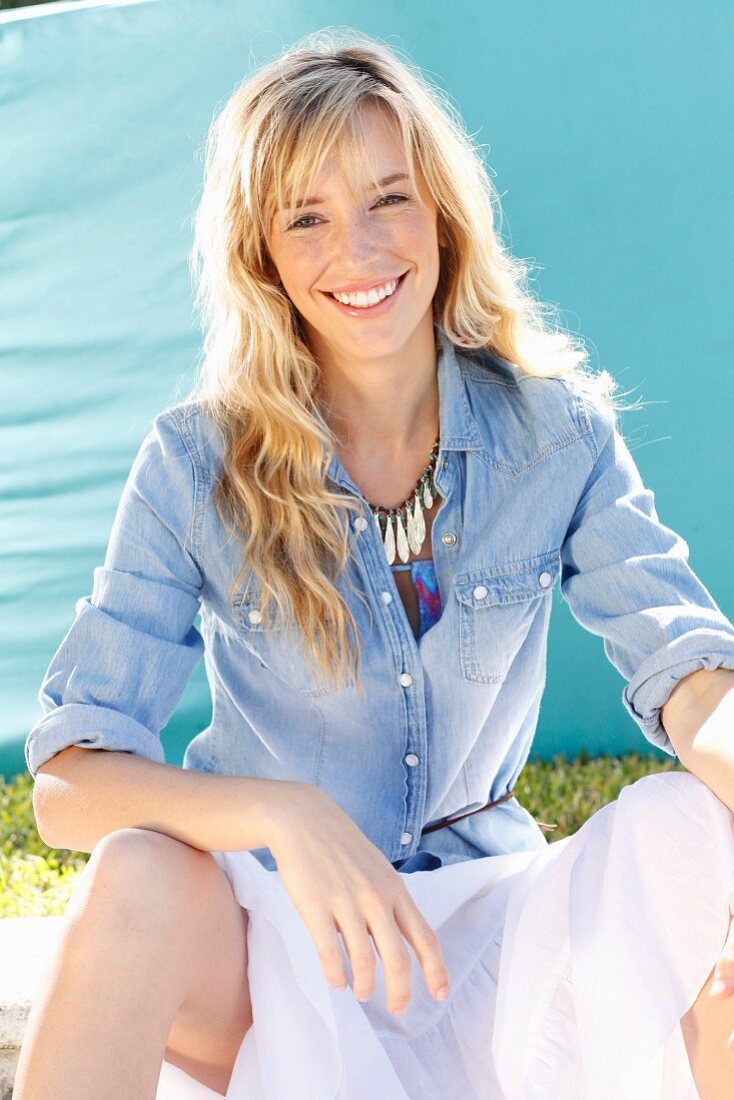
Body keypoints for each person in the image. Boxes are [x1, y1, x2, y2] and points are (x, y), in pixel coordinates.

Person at [14, 27, 734, 1100]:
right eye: (306, 217)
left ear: (439, 216)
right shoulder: (194, 462)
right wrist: (282, 814)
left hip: (486, 941)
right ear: (262, 255)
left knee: (693, 827)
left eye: (386, 199)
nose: (356, 251)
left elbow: (685, 670)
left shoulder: (554, 436)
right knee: (136, 873)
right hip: (275, 949)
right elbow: (67, 787)